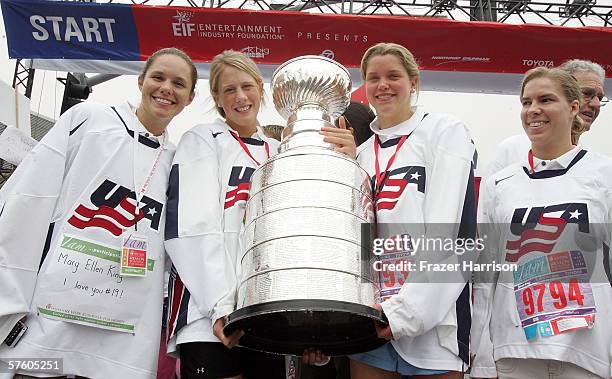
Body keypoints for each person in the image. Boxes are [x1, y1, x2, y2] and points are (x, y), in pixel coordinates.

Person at [0, 47, 196, 378]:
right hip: (47, 331)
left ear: (189, 98)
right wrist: (10, 299)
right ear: (140, 81)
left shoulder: (179, 163)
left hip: (121, 345)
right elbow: (26, 203)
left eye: (179, 83)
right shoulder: (89, 121)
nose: (166, 88)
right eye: (158, 77)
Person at [164, 50, 354, 379]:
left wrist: (312, 320)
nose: (240, 97)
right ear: (217, 99)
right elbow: (192, 227)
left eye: (247, 86)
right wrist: (220, 304)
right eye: (229, 90)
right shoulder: (203, 139)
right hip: (209, 317)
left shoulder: (279, 150)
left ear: (261, 91)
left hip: (265, 315)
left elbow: (306, 231)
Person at [471, 67, 612, 379]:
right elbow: (485, 275)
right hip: (513, 351)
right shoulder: (500, 183)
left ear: (573, 107)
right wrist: (481, 356)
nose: (533, 110)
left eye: (545, 100)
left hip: (587, 352)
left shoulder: (604, 173)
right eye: (526, 102)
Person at [349, 42, 477, 379]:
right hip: (371, 322)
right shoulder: (360, 156)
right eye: (373, 78)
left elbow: (450, 233)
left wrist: (405, 313)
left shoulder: (444, 132)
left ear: (413, 81)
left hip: (431, 326)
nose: (383, 85)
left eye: (393, 75)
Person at [485, 59, 607, 176]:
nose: (596, 104)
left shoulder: (600, 168)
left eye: (600, 98)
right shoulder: (512, 150)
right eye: (586, 94)